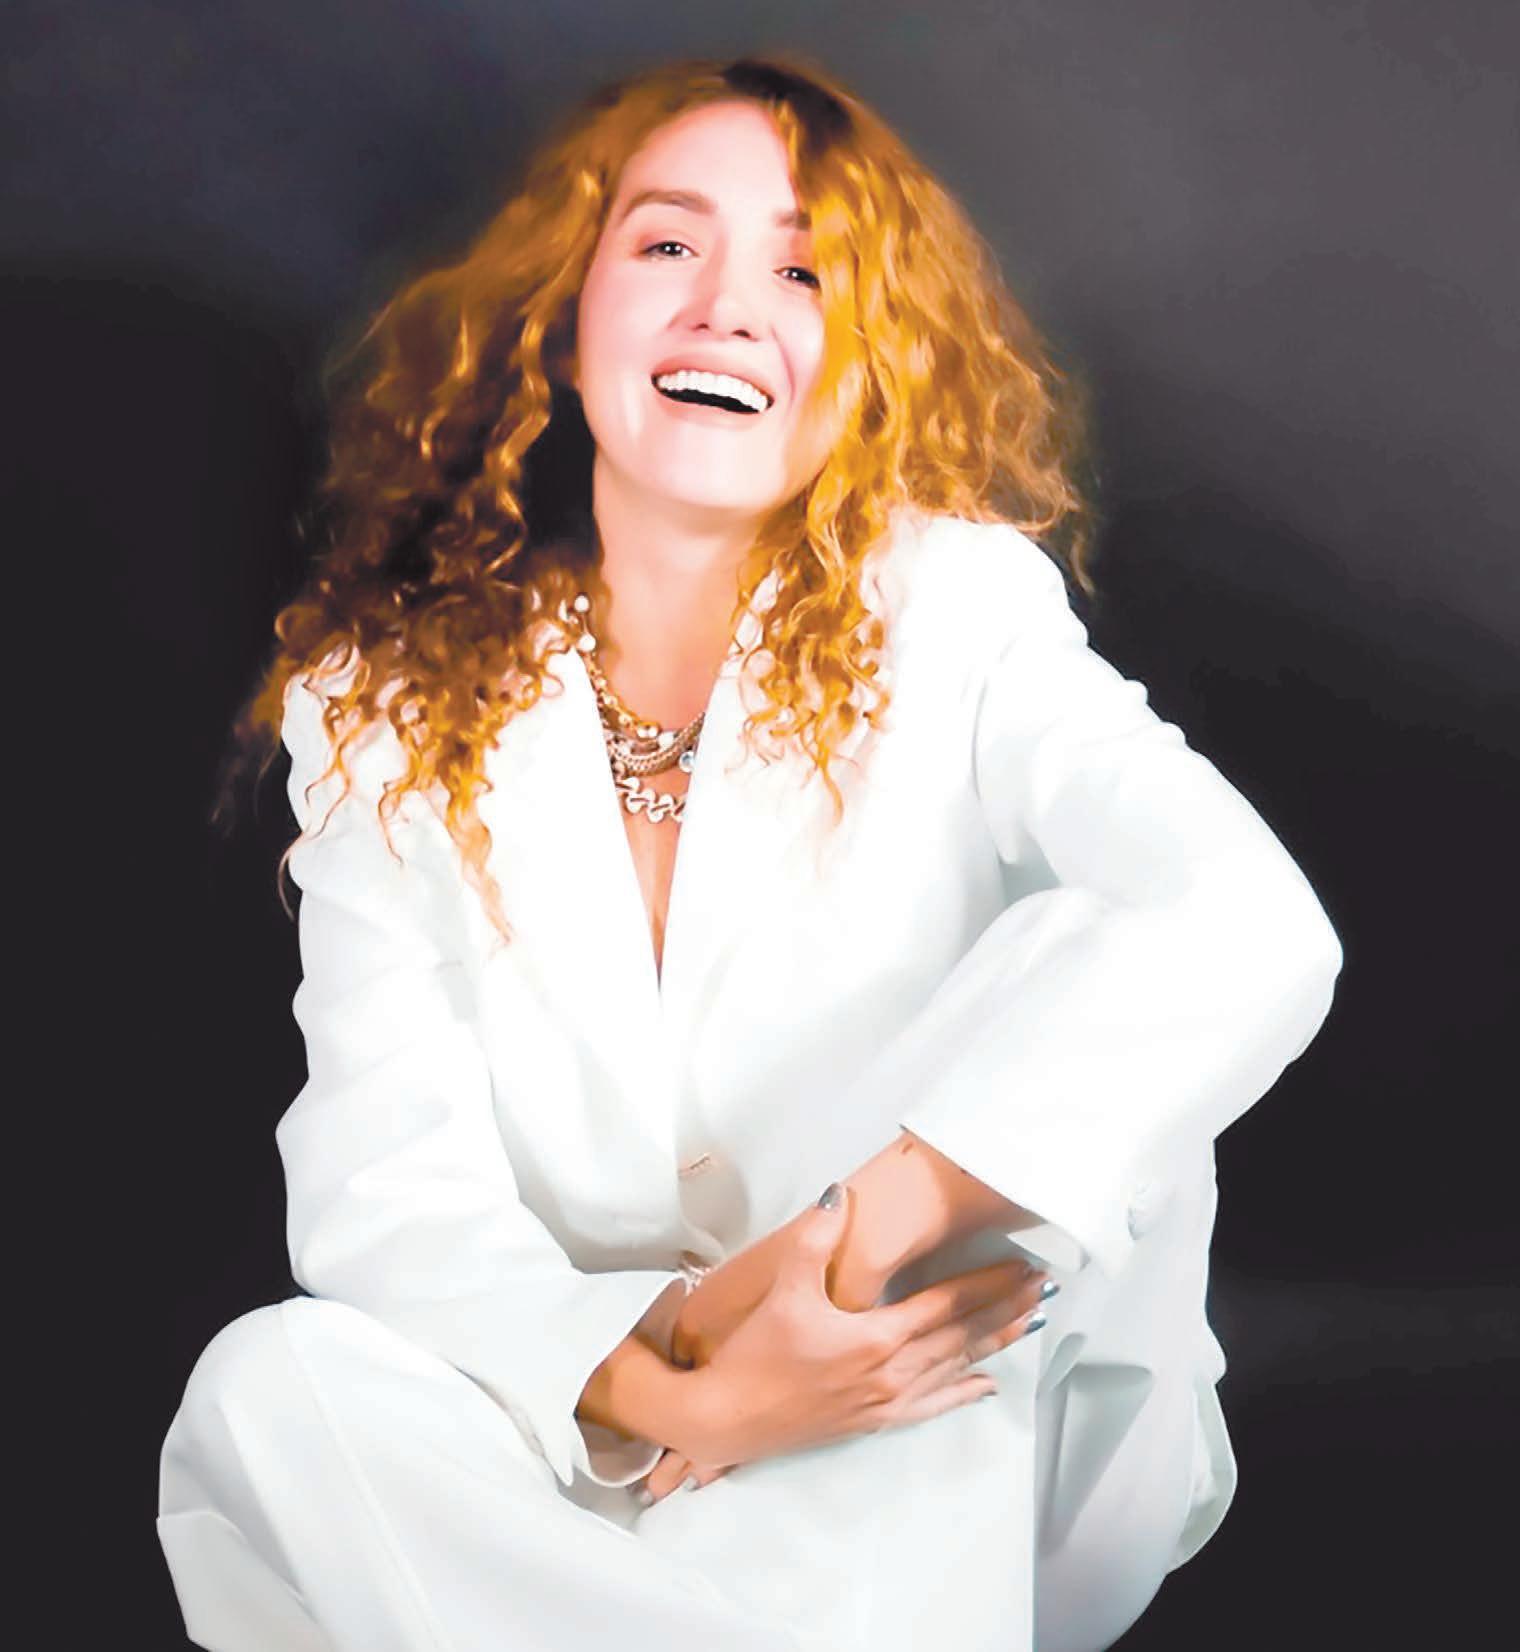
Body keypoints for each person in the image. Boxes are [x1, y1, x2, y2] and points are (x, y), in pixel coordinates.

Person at [158, 52, 1344, 1652]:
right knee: (269, 1387)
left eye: (803, 272)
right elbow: (387, 1190)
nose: (726, 308)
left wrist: (833, 1260)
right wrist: (685, 1394)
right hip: (606, 1449)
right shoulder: (379, 708)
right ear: (567, 315)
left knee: (1069, 955)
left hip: (941, 1395)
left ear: (868, 360)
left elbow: (1248, 922)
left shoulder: (959, 606)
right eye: (667, 244)